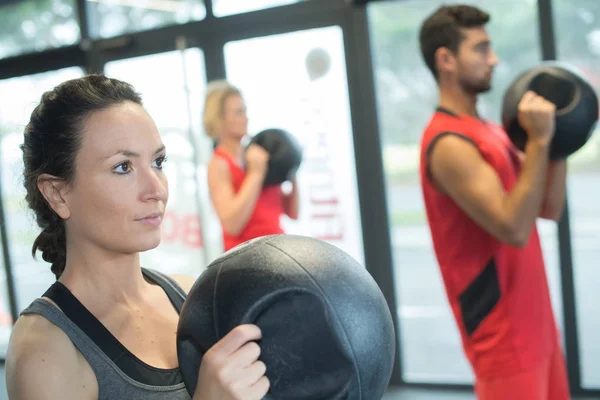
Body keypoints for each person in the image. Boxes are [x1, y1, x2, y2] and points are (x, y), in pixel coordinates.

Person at [5, 74, 269, 400]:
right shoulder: (46, 347)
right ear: (58, 194)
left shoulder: (192, 297)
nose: (156, 189)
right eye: (123, 167)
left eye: (158, 162)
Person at [418, 5, 570, 399]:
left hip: (538, 325)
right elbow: (513, 228)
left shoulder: (489, 130)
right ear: (446, 59)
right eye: (481, 49)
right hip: (503, 338)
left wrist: (561, 137)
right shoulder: (448, 143)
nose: (494, 58)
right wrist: (537, 141)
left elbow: (548, 208)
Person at [203, 80, 299, 251]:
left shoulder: (257, 154)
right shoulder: (219, 164)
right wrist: (255, 174)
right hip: (247, 259)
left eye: (245, 111)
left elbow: (293, 213)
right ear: (220, 120)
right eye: (238, 112)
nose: (246, 117)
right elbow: (232, 224)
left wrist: (291, 170)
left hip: (279, 249)